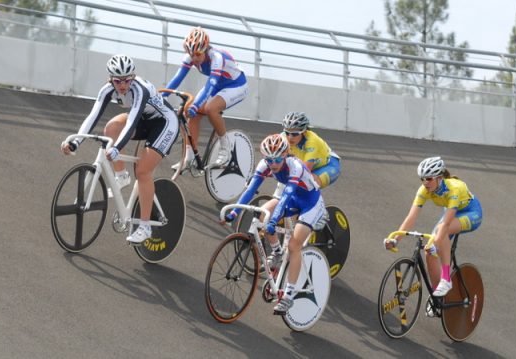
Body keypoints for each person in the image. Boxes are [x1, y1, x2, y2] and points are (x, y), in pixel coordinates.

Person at [60, 54, 179, 245]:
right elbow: (93, 116)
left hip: (164, 123)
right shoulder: (107, 90)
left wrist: (116, 148)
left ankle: (146, 226)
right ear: (110, 79)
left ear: (133, 77)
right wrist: (76, 142)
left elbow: (131, 123)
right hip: (143, 120)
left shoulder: (140, 90)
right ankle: (121, 175)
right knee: (111, 128)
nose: (123, 85)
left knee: (142, 171)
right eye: (118, 81)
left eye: (127, 80)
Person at [222, 134, 325, 315]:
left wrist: (273, 222)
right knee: (264, 215)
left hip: (310, 203)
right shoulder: (265, 165)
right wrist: (233, 212)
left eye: (277, 159)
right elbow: (250, 190)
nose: (274, 163)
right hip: (294, 198)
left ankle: (288, 295)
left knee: (294, 246)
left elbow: (285, 196)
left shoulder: (295, 167)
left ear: (286, 154)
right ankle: (277, 251)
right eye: (269, 159)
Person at [384, 156, 482, 297]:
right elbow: (411, 218)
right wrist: (395, 240)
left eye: (429, 179)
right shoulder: (424, 190)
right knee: (429, 252)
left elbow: (446, 224)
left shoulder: (454, 188)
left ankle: (446, 278)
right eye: (422, 179)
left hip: (471, 213)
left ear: (439, 178)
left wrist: (436, 243)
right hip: (450, 213)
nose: (425, 183)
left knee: (440, 233)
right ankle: (437, 297)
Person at [164, 26, 248, 170]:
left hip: (236, 85)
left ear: (205, 49)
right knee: (188, 110)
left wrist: (196, 105)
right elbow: (177, 79)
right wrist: (160, 96)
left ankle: (225, 150)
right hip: (218, 85)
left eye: (197, 54)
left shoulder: (217, 57)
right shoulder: (191, 56)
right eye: (191, 53)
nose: (194, 58)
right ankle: (189, 157)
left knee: (210, 108)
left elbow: (211, 84)